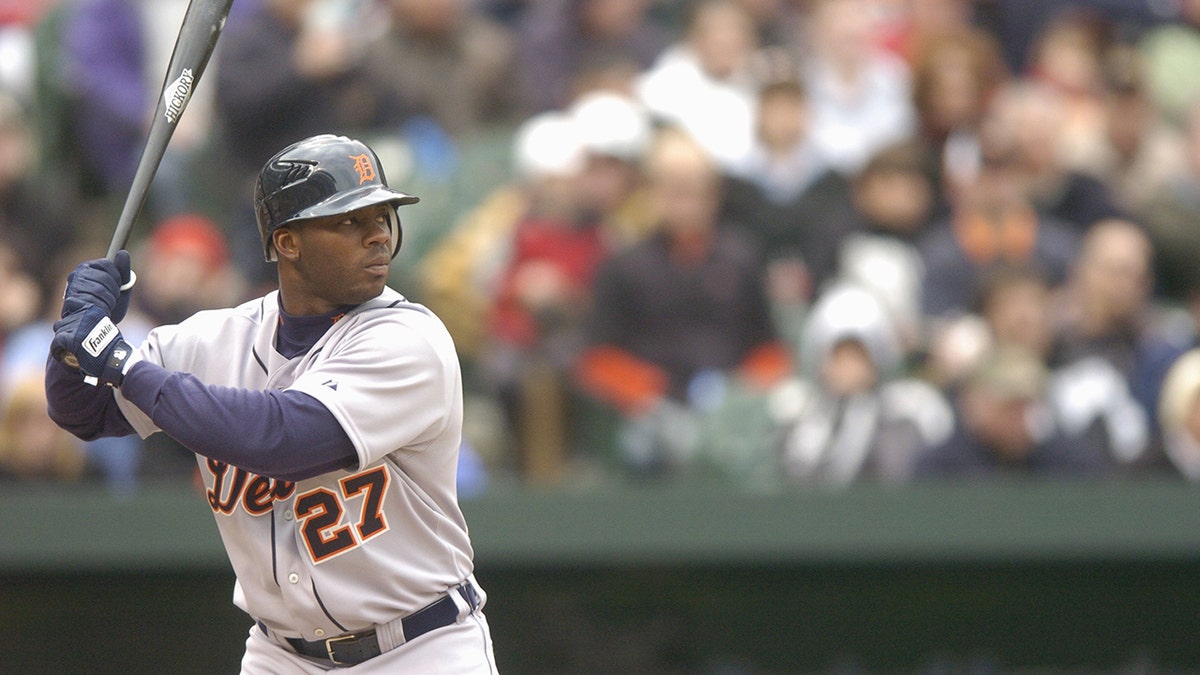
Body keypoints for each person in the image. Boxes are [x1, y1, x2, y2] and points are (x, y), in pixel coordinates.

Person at [44, 134, 498, 672]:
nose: (378, 235)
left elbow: (281, 439)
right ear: (287, 242)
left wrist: (119, 362)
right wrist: (73, 341)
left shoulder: (410, 339)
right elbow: (84, 412)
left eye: (382, 215)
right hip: (281, 656)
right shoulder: (215, 338)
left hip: (419, 648)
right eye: (350, 220)